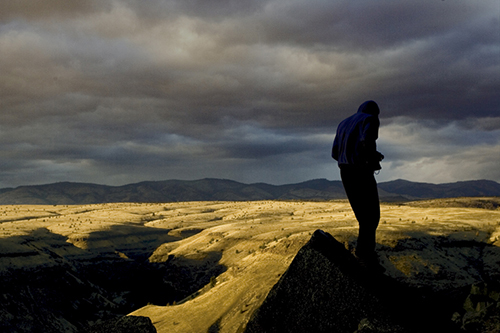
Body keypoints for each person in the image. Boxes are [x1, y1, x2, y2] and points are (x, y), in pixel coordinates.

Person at [332, 100, 384, 264]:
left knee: (362, 215)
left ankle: (362, 254)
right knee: (372, 216)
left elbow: (334, 152)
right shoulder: (370, 119)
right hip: (361, 170)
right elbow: (366, 142)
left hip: (345, 171)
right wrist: (373, 157)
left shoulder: (342, 123)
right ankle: (365, 256)